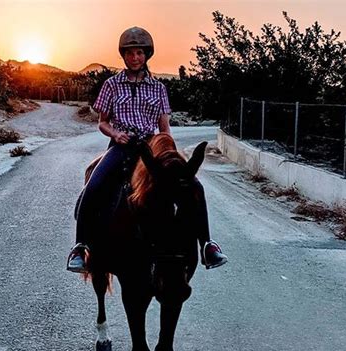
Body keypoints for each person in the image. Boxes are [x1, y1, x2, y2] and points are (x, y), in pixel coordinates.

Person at [67, 26, 227, 272]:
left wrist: (170, 152)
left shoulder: (158, 88)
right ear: (123, 55)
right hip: (122, 146)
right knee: (95, 183)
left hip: (151, 147)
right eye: (130, 53)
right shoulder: (111, 85)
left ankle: (207, 245)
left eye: (139, 53)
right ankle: (81, 246)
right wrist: (116, 134)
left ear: (146, 55)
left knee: (194, 185)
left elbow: (164, 127)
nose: (134, 58)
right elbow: (102, 122)